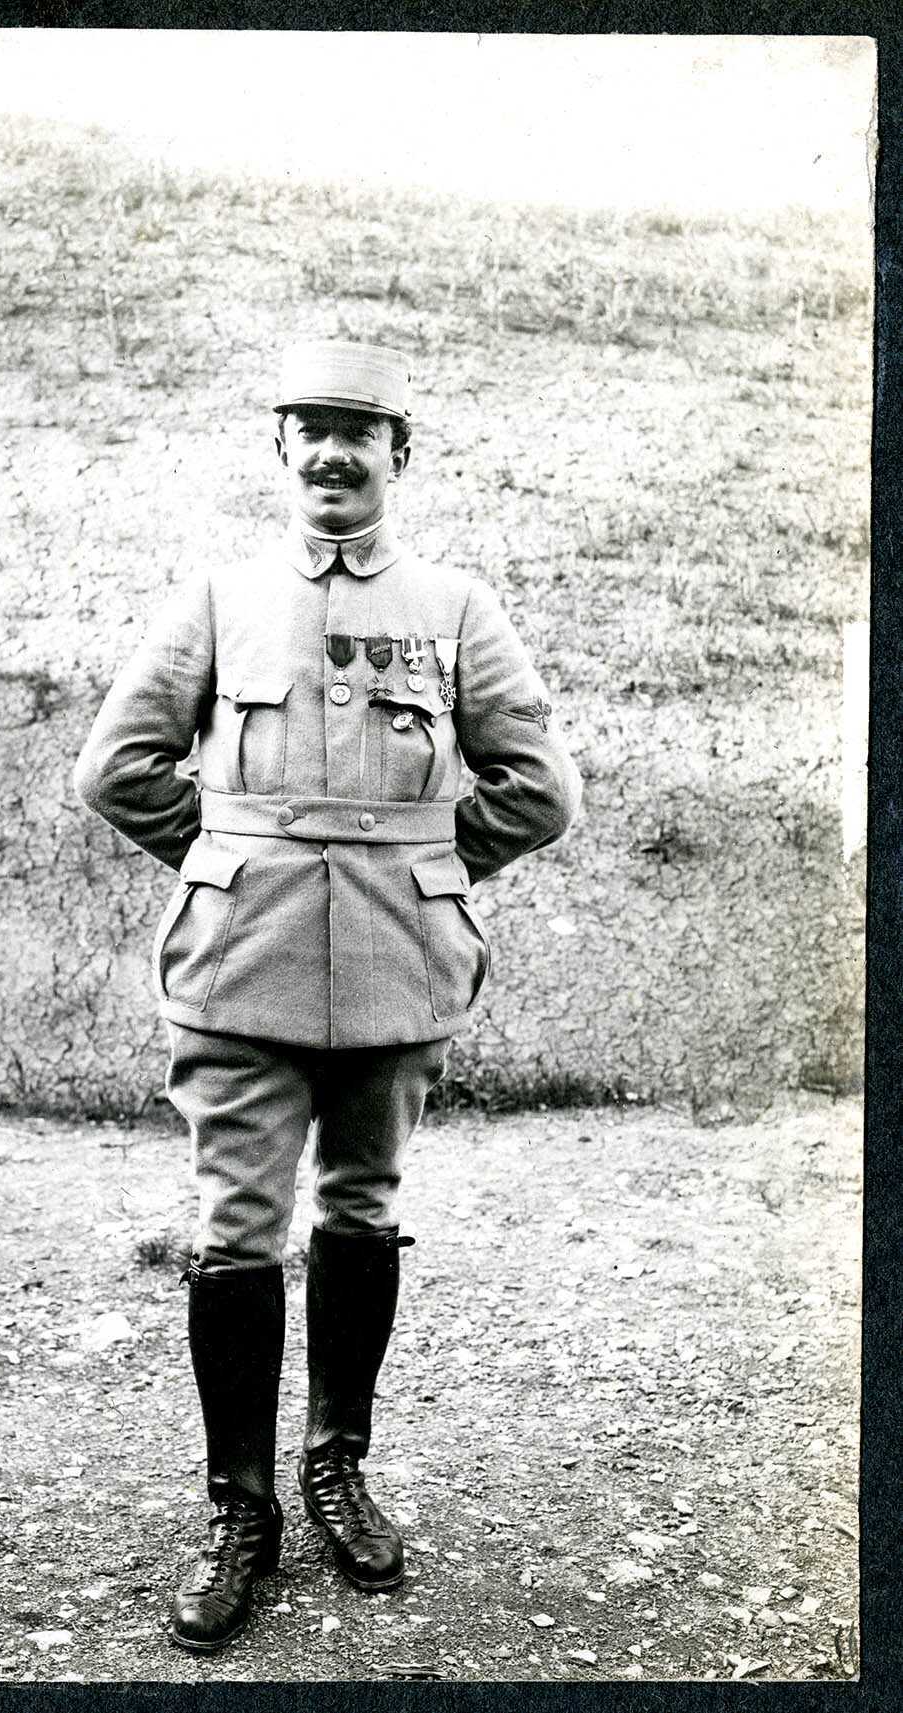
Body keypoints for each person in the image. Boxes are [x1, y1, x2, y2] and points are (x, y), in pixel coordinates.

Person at [74, 339, 582, 1653]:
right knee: (236, 1221)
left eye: (362, 430)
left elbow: (542, 789)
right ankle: (237, 1507)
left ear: (400, 457)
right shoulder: (220, 595)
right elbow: (116, 766)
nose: (333, 451)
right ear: (279, 450)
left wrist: (423, 865)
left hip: (399, 973)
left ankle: (336, 1466)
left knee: (364, 1206)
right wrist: (230, 850)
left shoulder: (458, 607)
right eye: (310, 427)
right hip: (240, 968)